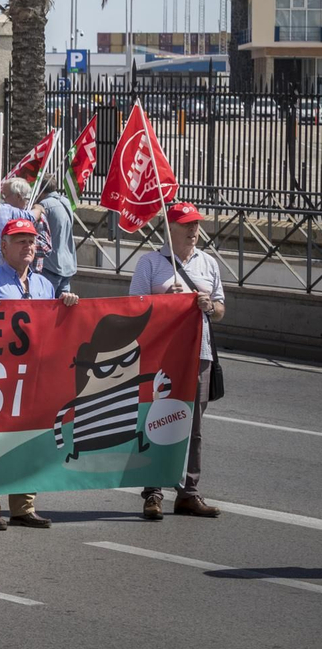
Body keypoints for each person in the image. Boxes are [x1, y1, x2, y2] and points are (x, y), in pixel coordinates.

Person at [0, 218, 78, 530]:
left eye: (30, 240)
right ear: (3, 247)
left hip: (32, 376)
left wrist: (67, 305)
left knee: (28, 440)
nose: (28, 246)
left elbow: (55, 330)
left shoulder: (45, 285)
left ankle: (23, 506)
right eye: (20, 241)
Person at [128, 200, 224, 521]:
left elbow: (221, 309)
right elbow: (134, 308)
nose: (194, 230)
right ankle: (153, 492)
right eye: (186, 224)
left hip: (199, 354)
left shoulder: (208, 264)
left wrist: (209, 305)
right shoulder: (150, 263)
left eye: (196, 224)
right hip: (162, 357)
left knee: (193, 426)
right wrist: (165, 302)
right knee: (158, 421)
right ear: (170, 229)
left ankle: (189, 493)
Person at [38, 188, 77, 295]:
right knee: (63, 306)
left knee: (45, 304)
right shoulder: (66, 202)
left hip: (51, 264)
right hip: (68, 264)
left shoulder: (44, 205)